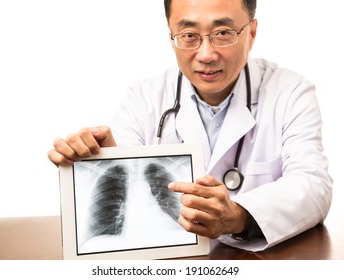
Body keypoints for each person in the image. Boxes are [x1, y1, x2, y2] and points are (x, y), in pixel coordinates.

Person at [48, 0, 332, 252]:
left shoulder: (290, 92)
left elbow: (313, 186)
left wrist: (237, 216)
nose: (206, 54)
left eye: (223, 33)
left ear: (252, 33)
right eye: (189, 36)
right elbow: (126, 203)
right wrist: (106, 158)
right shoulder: (144, 99)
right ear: (172, 37)